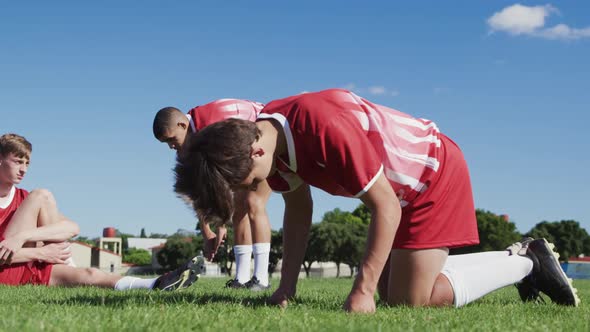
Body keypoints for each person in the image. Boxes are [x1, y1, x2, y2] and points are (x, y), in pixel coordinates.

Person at [173, 89, 580, 313]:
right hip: (397, 194)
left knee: (409, 300)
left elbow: (386, 206)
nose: (247, 191)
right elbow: (299, 212)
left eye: (240, 182)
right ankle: (524, 257)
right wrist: (287, 288)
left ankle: (527, 262)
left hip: (433, 176)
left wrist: (362, 291)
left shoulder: (324, 126)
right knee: (393, 288)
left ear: (255, 153)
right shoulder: (267, 146)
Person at [0, 133, 201, 290]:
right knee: (42, 194)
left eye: (27, 163)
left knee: (90, 275)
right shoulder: (35, 199)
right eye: (18, 162)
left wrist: (25, 235)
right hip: (7, 269)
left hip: (31, 269)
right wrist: (41, 252)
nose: (24, 169)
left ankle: (155, 284)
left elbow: (71, 227)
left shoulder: (25, 198)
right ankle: (68, 266)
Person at [153, 99, 272, 290]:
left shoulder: (211, 124)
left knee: (253, 202)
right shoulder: (185, 148)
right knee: (240, 206)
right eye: (165, 143)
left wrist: (221, 222)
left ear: (182, 125)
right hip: (239, 147)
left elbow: (222, 180)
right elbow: (198, 189)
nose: (171, 147)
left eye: (171, 140)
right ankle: (241, 280)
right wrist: (207, 229)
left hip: (261, 138)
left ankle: (261, 278)